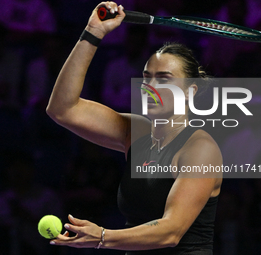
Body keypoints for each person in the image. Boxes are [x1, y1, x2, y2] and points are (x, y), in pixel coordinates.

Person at [46, 2, 222, 254]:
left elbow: (171, 231)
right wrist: (93, 32)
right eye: (146, 77)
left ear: (190, 92)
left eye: (163, 79)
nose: (150, 86)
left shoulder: (200, 149)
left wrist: (102, 237)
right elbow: (62, 109)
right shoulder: (137, 132)